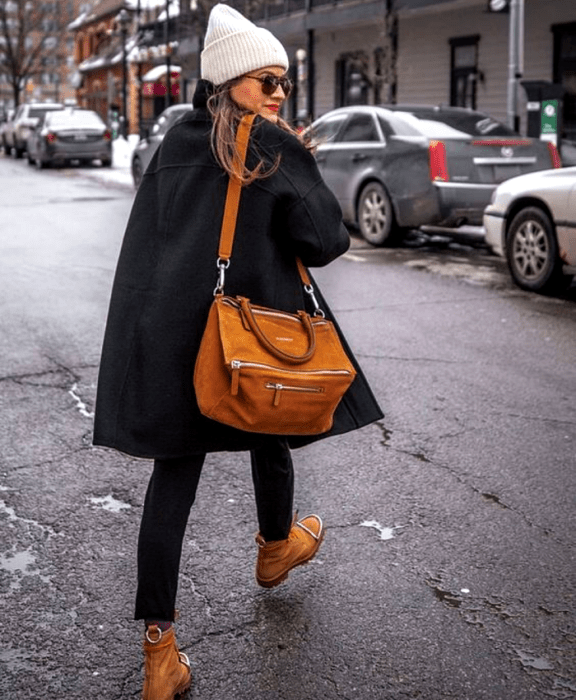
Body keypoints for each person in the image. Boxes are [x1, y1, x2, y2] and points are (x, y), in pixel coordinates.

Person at [93, 4, 383, 699]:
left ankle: (160, 654)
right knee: (269, 424)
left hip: (176, 346)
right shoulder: (272, 148)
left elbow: (150, 243)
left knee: (175, 483)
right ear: (230, 81)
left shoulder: (174, 143)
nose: (279, 91)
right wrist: (300, 167)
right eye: (265, 79)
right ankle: (276, 548)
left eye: (284, 80)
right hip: (249, 341)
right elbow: (326, 242)